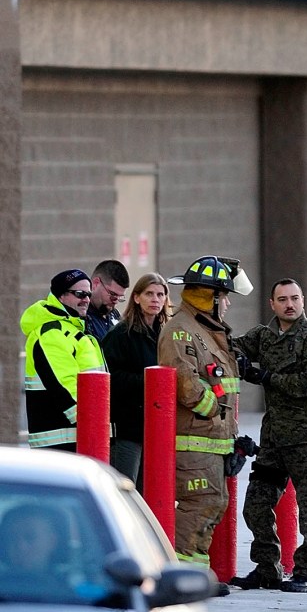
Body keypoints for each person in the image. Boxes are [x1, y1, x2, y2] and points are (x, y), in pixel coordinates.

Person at [231, 278, 307, 594]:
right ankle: (267, 569)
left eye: (294, 298)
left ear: (302, 300)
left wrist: (266, 377)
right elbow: (232, 345)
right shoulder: (265, 336)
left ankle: (306, 573)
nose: (289, 304)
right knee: (256, 504)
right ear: (272, 304)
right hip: (275, 438)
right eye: (282, 299)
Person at [158, 255, 253, 596]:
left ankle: (196, 577)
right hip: (194, 440)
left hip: (211, 439)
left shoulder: (206, 330)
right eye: (223, 296)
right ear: (208, 297)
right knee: (198, 507)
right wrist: (214, 410)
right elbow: (185, 379)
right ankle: (185, 580)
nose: (227, 303)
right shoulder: (182, 328)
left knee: (211, 505)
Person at [101, 272, 171, 491]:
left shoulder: (168, 334)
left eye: (160, 294)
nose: (155, 299)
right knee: (126, 488)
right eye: (149, 294)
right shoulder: (121, 334)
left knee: (153, 491)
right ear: (137, 298)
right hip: (128, 427)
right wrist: (150, 381)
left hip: (158, 425)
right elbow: (111, 377)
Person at [20, 268, 105, 449]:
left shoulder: (75, 331)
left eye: (89, 294)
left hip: (77, 438)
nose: (87, 300)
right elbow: (65, 386)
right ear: (61, 296)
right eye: (80, 294)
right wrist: (94, 425)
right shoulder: (52, 333)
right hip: (63, 442)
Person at [85, 259, 130, 341]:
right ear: (96, 283)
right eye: (112, 294)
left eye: (119, 297)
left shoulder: (115, 315)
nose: (115, 301)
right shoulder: (81, 317)